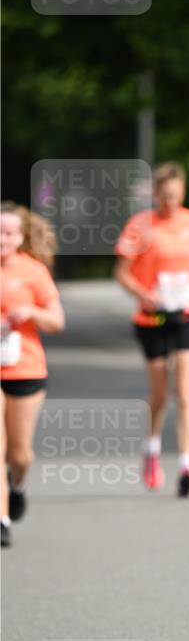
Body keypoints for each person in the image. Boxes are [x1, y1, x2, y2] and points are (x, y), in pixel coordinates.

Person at [114, 162, 189, 497]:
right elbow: (121, 272)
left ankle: (188, 464)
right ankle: (151, 450)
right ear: (156, 194)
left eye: (176, 196)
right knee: (160, 392)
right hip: (153, 318)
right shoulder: (140, 225)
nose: (171, 202)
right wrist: (143, 294)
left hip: (188, 312)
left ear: (183, 192)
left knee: (187, 391)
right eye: (165, 196)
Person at [1, 202, 65, 548]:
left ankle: (18, 484)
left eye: (9, 233)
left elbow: (57, 321)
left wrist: (31, 312)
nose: (2, 239)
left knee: (20, 454)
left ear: (21, 236)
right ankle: (2, 518)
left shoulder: (33, 271)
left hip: (25, 366)